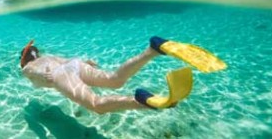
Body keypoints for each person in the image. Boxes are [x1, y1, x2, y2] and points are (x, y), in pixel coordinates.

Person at [20, 37, 171, 114]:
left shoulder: (27, 66)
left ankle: (139, 102)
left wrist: (44, 74)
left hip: (59, 74)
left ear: (25, 59)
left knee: (96, 105)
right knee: (115, 80)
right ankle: (152, 50)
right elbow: (67, 61)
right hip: (75, 64)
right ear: (37, 53)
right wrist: (86, 62)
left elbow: (31, 71)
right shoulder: (48, 57)